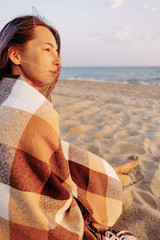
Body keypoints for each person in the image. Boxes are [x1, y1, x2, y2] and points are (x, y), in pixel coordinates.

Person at [0, 15, 139, 239]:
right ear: (15, 54)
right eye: (47, 50)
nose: (58, 61)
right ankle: (116, 174)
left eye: (57, 52)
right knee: (104, 182)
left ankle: (115, 169)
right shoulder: (32, 107)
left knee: (69, 155)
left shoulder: (5, 93)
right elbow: (60, 185)